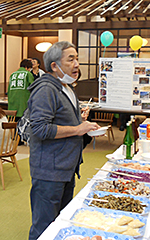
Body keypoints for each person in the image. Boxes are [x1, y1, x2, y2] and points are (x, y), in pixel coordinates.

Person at [27, 41, 100, 240]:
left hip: (66, 166)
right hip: (50, 169)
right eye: (71, 59)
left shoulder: (65, 87)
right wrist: (77, 128)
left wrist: (80, 121)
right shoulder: (46, 89)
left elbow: (59, 120)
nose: (77, 63)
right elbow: (40, 128)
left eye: (77, 58)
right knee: (44, 227)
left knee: (61, 221)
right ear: (54, 65)